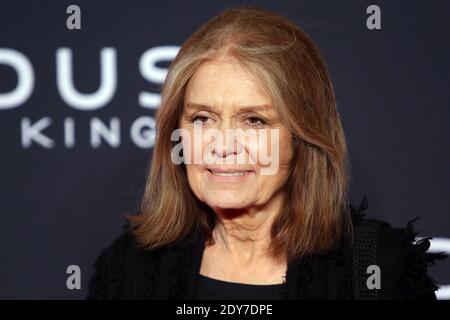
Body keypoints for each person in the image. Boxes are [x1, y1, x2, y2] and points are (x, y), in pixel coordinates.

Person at [87, 5, 445, 300]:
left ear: (303, 135)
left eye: (255, 121)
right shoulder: (129, 269)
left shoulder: (378, 268)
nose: (223, 145)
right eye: (202, 118)